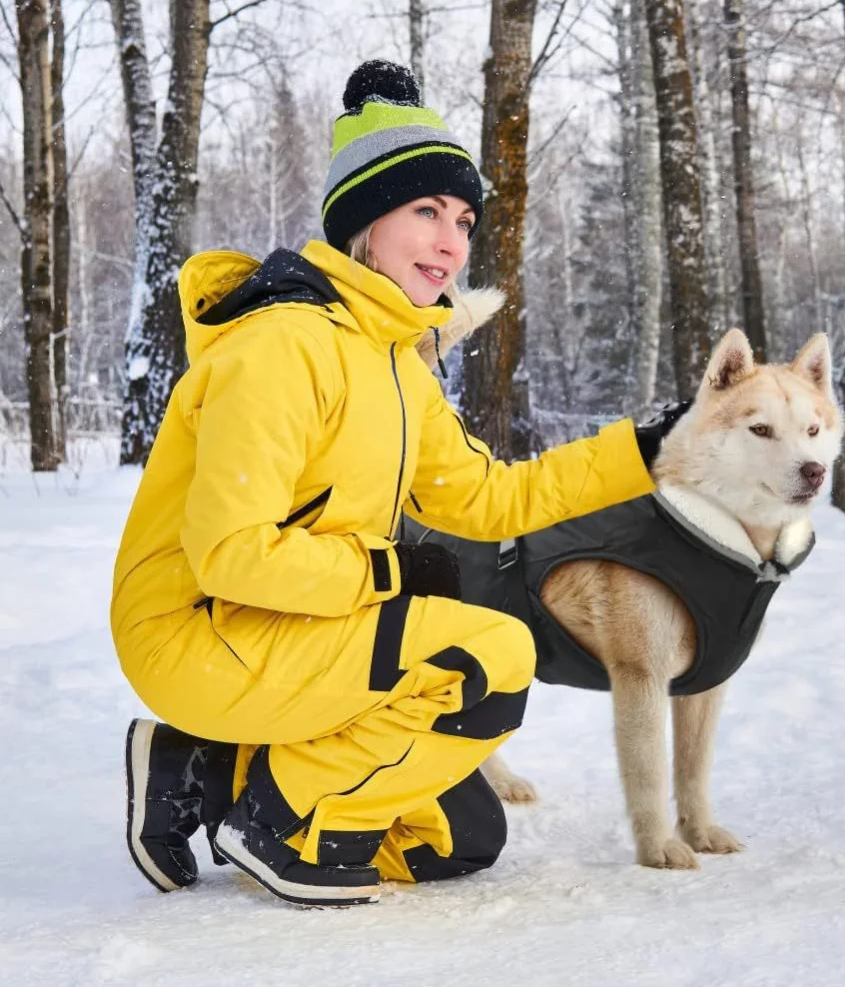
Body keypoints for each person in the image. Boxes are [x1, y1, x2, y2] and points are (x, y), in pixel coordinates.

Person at [112, 60, 670, 908]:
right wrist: (383, 574)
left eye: (464, 220)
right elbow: (230, 554)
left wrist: (647, 450)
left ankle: (204, 765)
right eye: (425, 212)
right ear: (364, 225)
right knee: (488, 656)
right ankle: (280, 819)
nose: (452, 243)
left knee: (459, 841)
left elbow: (491, 499)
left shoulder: (395, 366)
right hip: (199, 635)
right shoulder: (282, 346)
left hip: (294, 633)